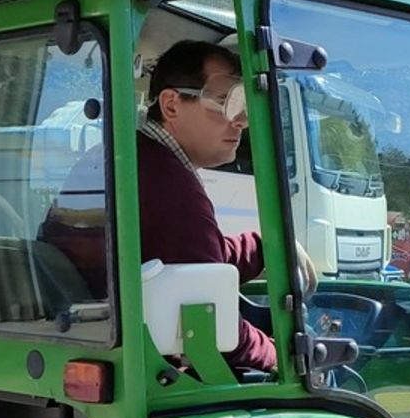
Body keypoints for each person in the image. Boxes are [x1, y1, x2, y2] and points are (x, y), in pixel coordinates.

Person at [42, 40, 288, 374]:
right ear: (171, 105)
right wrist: (280, 356)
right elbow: (212, 320)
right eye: (225, 101)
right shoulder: (165, 181)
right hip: (142, 366)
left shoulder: (120, 159)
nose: (242, 120)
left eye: (243, 103)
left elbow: (188, 258)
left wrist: (267, 249)